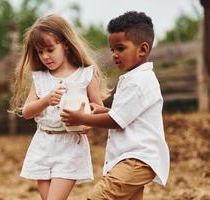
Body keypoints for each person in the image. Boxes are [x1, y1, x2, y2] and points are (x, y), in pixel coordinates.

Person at [61, 11, 170, 200]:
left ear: (142, 49)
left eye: (120, 48)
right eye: (112, 49)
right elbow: (127, 114)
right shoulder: (135, 79)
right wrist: (103, 110)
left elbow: (117, 121)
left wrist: (82, 118)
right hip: (135, 159)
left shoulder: (138, 82)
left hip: (136, 160)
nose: (115, 55)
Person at [9, 14, 105, 200]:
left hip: (70, 146)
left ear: (66, 45)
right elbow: (27, 112)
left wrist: (87, 121)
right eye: (39, 52)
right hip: (43, 145)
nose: (45, 56)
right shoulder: (40, 78)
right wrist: (45, 101)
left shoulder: (85, 74)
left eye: (50, 50)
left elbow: (98, 108)